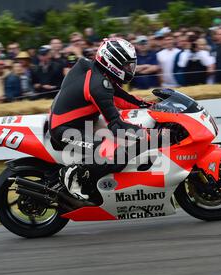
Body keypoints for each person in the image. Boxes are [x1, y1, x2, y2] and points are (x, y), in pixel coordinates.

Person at [50, 38, 153, 201]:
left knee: (120, 144)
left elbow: (122, 98)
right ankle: (72, 175)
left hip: (82, 123)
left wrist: (152, 106)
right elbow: (116, 125)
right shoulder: (99, 84)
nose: (130, 69)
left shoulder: (98, 73)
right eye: (127, 65)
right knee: (117, 155)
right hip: (65, 130)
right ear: (113, 62)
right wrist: (147, 133)